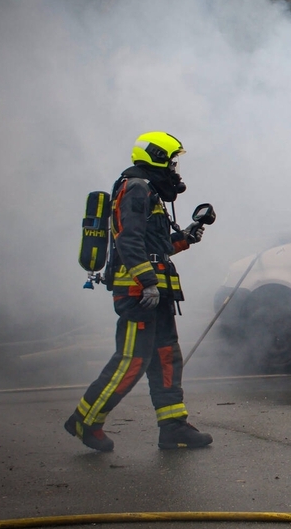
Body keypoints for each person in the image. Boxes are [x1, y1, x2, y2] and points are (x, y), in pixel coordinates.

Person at [65, 131, 213, 451]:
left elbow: (156, 249)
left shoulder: (149, 192)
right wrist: (146, 282)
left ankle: (173, 426)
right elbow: (127, 240)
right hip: (138, 293)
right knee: (132, 360)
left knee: (165, 356)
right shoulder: (135, 189)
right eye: (172, 161)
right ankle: (85, 419)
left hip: (154, 291)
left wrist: (186, 237)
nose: (175, 169)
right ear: (157, 157)